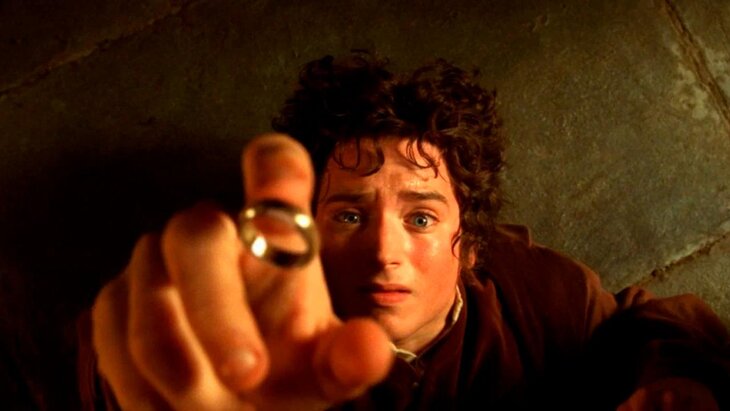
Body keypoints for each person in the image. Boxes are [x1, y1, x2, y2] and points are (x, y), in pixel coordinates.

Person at [86, 53, 730, 410]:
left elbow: (650, 326)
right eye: (348, 216)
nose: (384, 252)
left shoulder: (543, 297)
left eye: (420, 218)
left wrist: (681, 383)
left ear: (470, 242)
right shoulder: (260, 336)